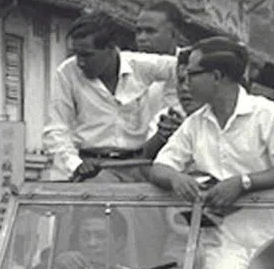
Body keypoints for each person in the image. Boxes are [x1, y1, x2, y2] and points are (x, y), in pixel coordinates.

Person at [150, 36, 274, 269]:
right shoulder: (195, 123)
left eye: (191, 74)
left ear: (217, 76)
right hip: (223, 242)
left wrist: (243, 183)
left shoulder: (267, 114)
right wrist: (176, 178)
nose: (185, 83)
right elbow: (159, 167)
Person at [42, 10, 178, 180]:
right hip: (95, 168)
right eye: (76, 54)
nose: (80, 62)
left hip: (140, 164)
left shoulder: (140, 65)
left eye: (87, 55)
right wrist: (75, 165)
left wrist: (174, 109)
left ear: (110, 48)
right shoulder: (67, 73)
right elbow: (56, 129)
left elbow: (183, 68)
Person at [141, 48, 198, 161]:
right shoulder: (167, 117)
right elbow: (145, 159)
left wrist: (186, 132)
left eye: (192, 81)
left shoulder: (231, 117)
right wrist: (160, 137)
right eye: (181, 81)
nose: (184, 88)